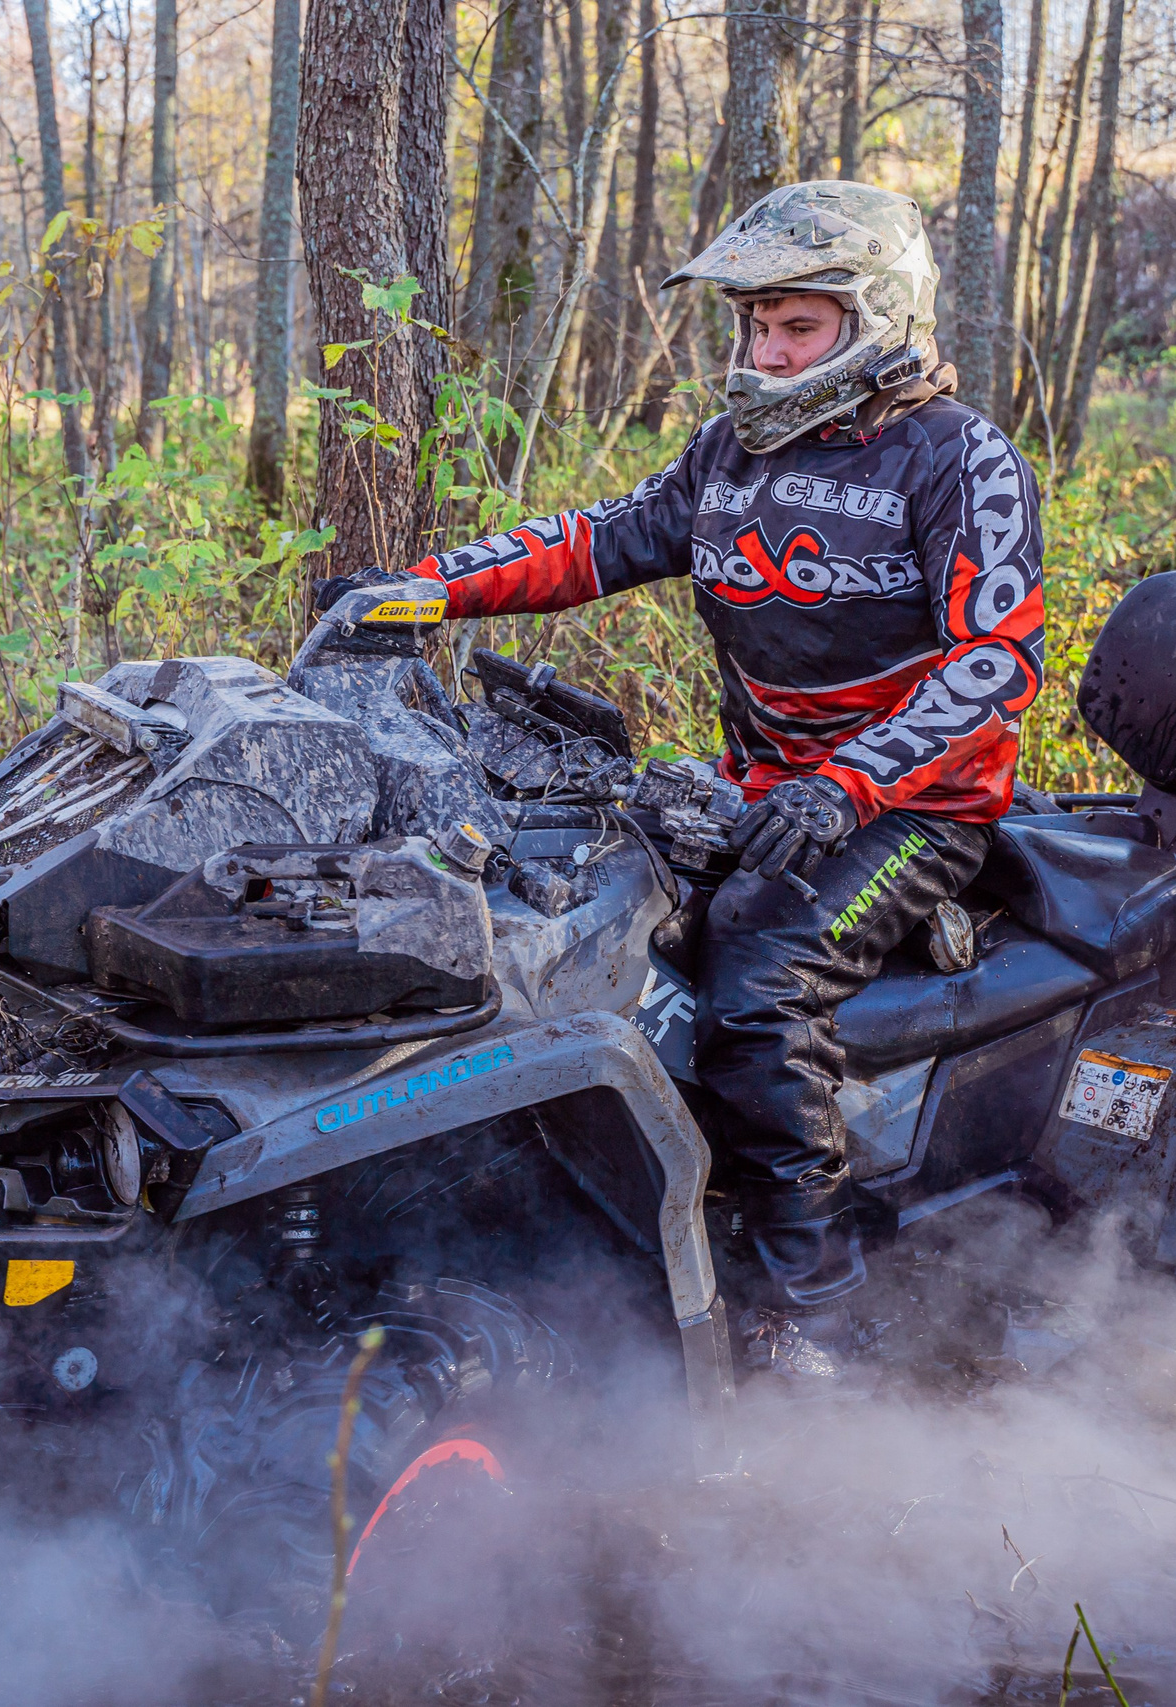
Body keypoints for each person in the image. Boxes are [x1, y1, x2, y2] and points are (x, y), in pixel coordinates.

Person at [379, 180, 1046, 1374]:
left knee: (751, 983)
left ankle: (819, 1310)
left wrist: (851, 784)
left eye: (797, 327)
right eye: (754, 326)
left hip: (915, 805)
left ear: (875, 318)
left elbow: (994, 661)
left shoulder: (958, 460)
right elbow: (596, 539)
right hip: (759, 788)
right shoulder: (730, 450)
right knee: (588, 938)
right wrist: (428, 588)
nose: (766, 350)